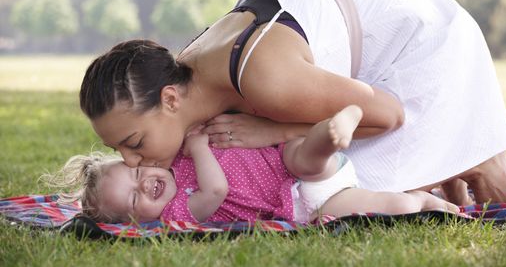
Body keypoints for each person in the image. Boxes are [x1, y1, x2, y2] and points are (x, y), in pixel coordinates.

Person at [79, 0, 506, 206]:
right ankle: (450, 174)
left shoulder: (264, 79)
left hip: (420, 32)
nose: (130, 159)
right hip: (369, 36)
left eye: (133, 142)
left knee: (364, 184)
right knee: (360, 181)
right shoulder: (189, 72)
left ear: (170, 99)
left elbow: (387, 114)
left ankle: (476, 167)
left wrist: (277, 131)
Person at [46, 105, 458, 223]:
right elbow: (216, 191)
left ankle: (332, 129)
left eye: (137, 175)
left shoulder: (174, 163)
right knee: (382, 207)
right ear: (141, 222)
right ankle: (424, 203)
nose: (145, 186)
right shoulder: (177, 212)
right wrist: (201, 148)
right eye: (136, 201)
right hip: (300, 205)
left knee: (308, 158)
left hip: (285, 163)